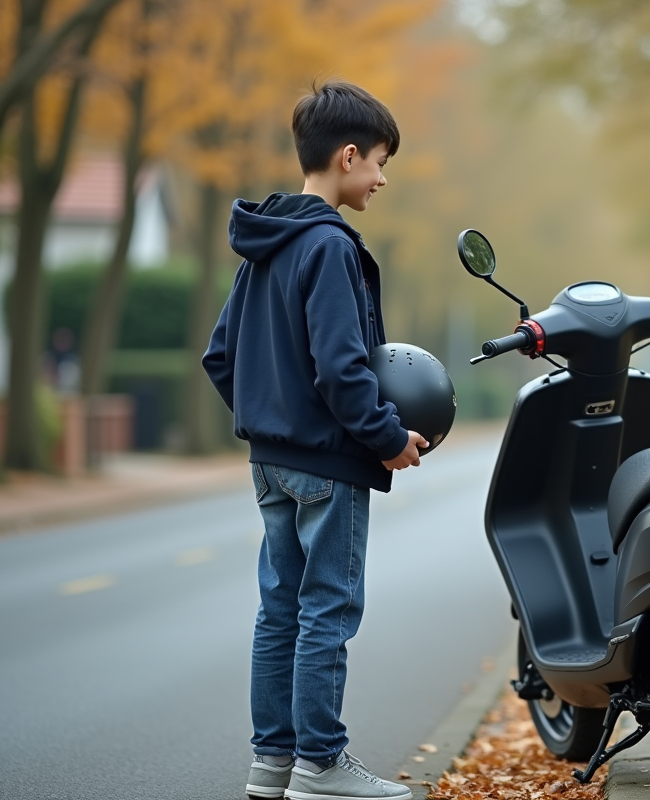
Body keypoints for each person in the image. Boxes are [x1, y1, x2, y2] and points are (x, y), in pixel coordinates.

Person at [202, 80, 426, 800]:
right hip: (329, 463)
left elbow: (219, 355)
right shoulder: (328, 245)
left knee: (280, 610)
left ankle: (273, 763)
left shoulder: (263, 245)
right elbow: (342, 365)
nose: (383, 179)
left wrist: (270, 417)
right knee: (327, 608)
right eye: (380, 163)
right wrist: (386, 438)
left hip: (270, 461)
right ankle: (321, 766)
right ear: (349, 155)